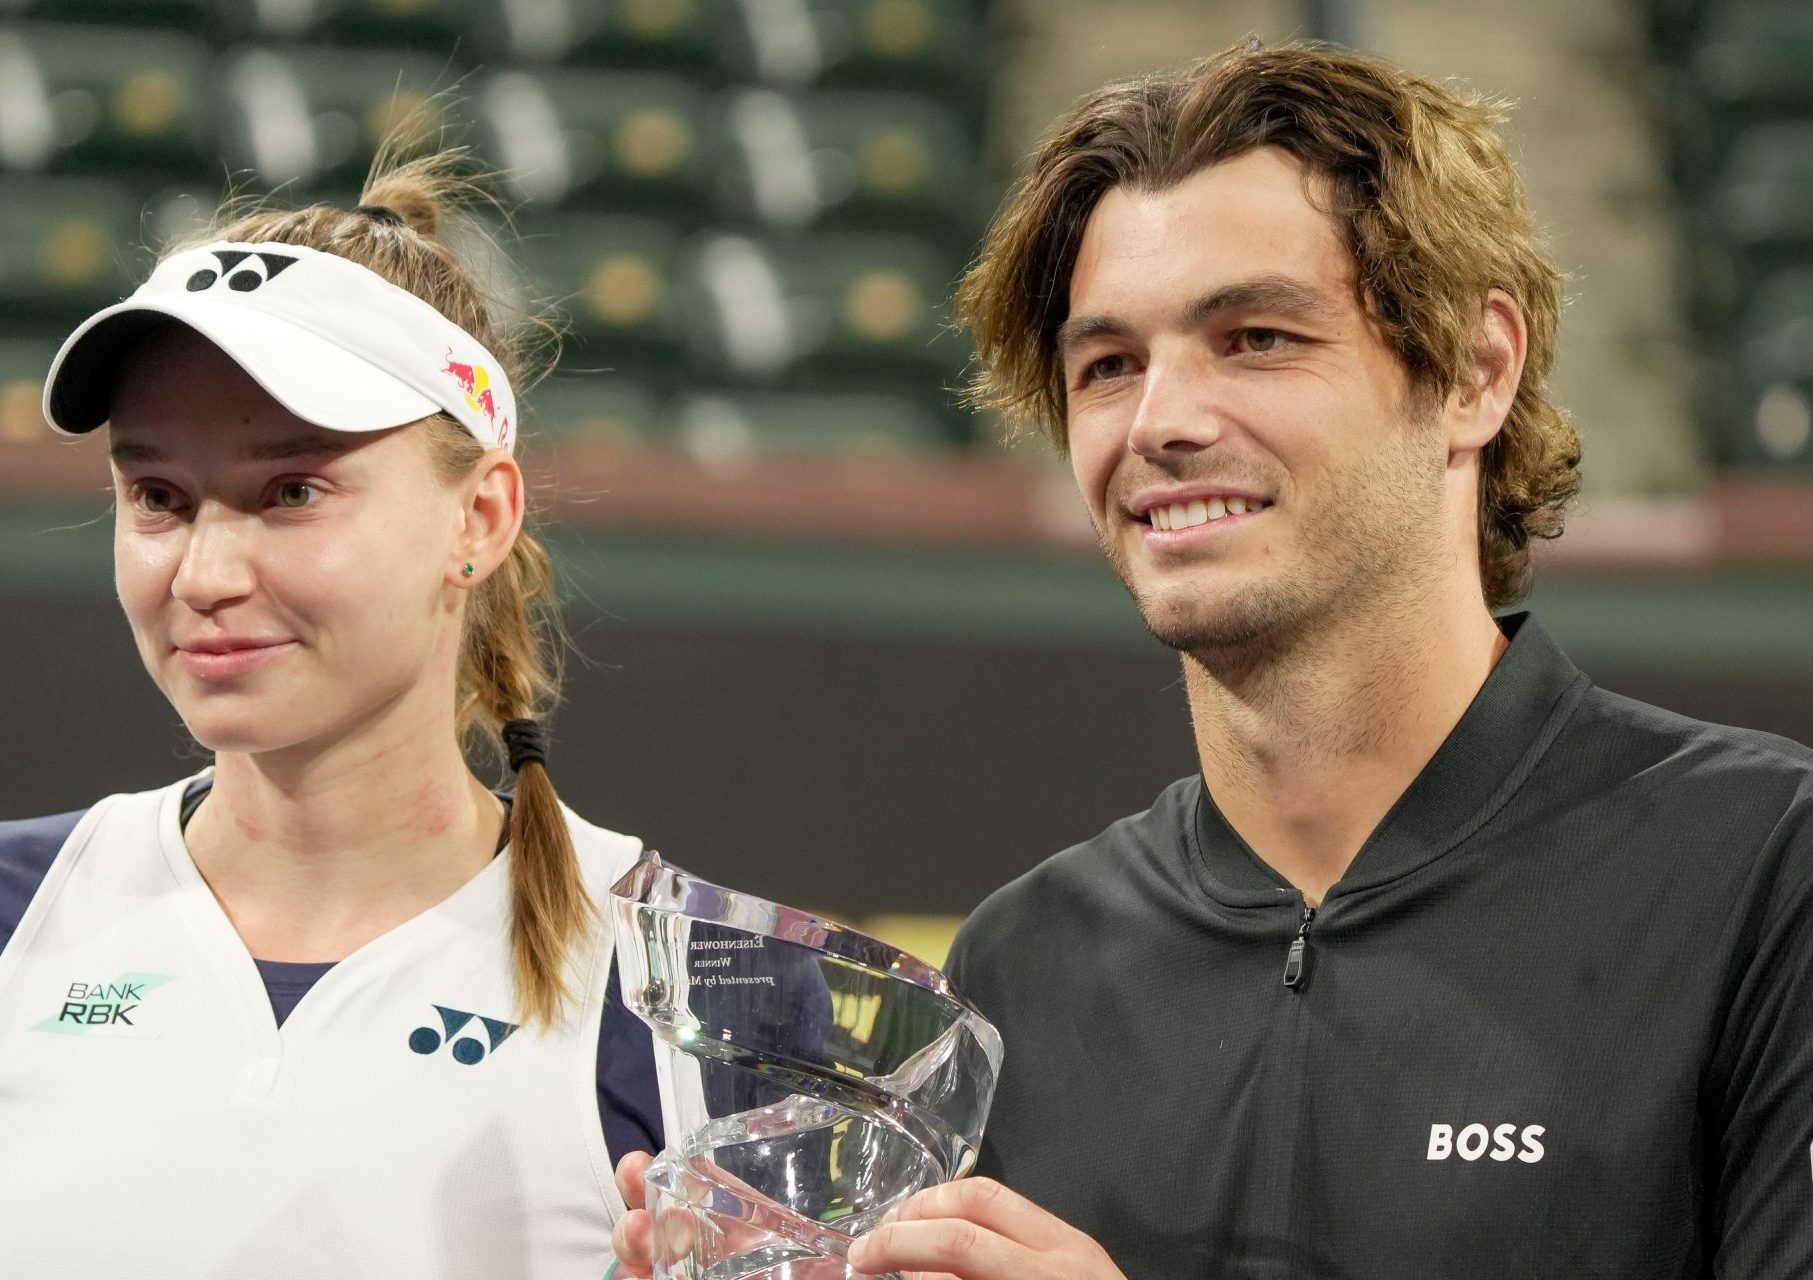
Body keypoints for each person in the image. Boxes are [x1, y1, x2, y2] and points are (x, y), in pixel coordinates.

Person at [611, 39, 1813, 1280]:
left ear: (1473, 367)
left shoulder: (1763, 867)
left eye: (1254, 338)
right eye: (1109, 365)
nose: (1162, 421)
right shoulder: (1022, 965)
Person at [0, 151, 663, 1277]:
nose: (203, 571)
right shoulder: (20, 917)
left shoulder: (687, 993)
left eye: (291, 491)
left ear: (481, 514)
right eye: (156, 496)